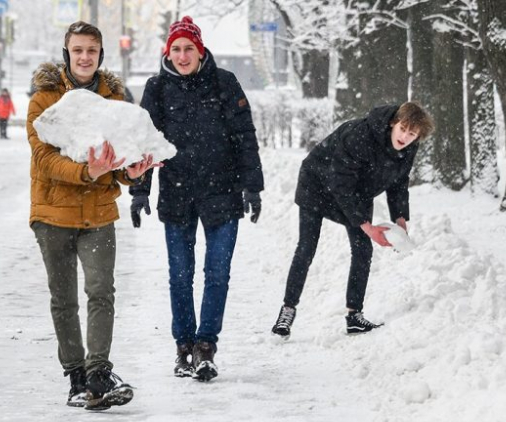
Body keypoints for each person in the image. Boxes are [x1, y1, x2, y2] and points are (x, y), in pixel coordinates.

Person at [27, 21, 158, 410]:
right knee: (63, 298)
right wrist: (88, 171)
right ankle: (75, 376)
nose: (85, 57)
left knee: (101, 292)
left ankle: (99, 371)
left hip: (99, 212)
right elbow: (45, 158)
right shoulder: (44, 100)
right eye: (78, 50)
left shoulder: (114, 98)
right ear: (67, 53)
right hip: (52, 214)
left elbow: (120, 155)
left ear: (101, 55)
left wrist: (129, 173)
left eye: (92, 51)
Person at [130, 16, 264, 382]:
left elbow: (243, 136)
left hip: (222, 193)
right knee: (180, 275)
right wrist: (140, 190)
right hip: (177, 194)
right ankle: (183, 348)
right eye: (176, 49)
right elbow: (144, 142)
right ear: (167, 52)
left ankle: (206, 347)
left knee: (217, 274)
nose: (183, 55)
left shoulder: (224, 83)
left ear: (200, 50)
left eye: (189, 48)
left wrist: (253, 186)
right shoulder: (156, 89)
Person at [270, 102, 434, 339]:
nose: (405, 137)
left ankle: (354, 316)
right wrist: (366, 226)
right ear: (393, 123)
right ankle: (287, 311)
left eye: (412, 134)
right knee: (307, 246)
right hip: (317, 183)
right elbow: (341, 182)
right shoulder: (362, 135)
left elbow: (399, 182)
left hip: (358, 190)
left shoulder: (409, 148)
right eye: (403, 129)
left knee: (362, 250)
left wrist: (400, 220)